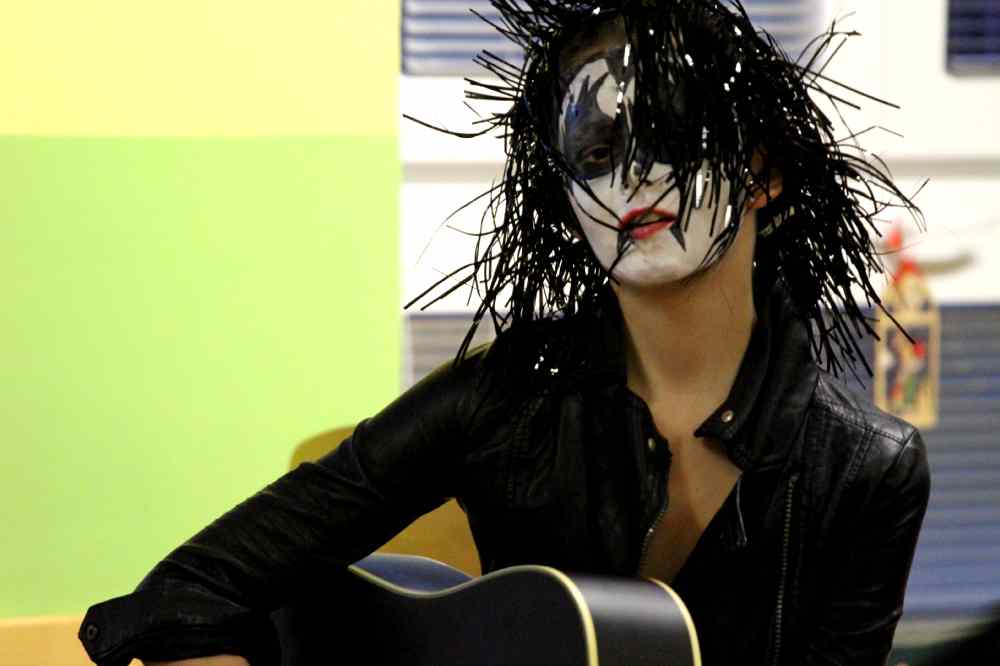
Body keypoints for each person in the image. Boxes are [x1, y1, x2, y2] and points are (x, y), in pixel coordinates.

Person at [79, 1, 931, 665]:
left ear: (765, 173)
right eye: (595, 151)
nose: (632, 176)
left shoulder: (867, 469)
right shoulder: (500, 401)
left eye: (669, 133)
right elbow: (188, 588)